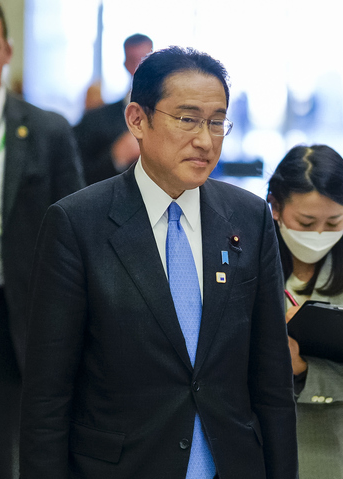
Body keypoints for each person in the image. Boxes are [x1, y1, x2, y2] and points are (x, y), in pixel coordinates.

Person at [20, 46, 298, 478]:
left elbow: (272, 382)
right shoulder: (77, 224)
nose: (205, 140)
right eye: (187, 119)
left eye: (217, 121)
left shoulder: (249, 218)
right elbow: (47, 397)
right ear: (137, 120)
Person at [0, 1, 85, 477]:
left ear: (8, 52)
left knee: (3, 451)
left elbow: (76, 239)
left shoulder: (46, 131)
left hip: (12, 312)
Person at [268, 144, 343, 479]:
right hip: (256, 448)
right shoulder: (247, 266)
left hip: (332, 455)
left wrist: (304, 368)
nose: (319, 235)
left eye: (334, 221)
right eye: (306, 222)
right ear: (274, 207)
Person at [74, 33, 153, 185]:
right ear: (125, 64)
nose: (140, 68)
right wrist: (116, 157)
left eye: (145, 61)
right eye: (134, 61)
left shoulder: (176, 117)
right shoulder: (96, 120)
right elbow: (77, 175)